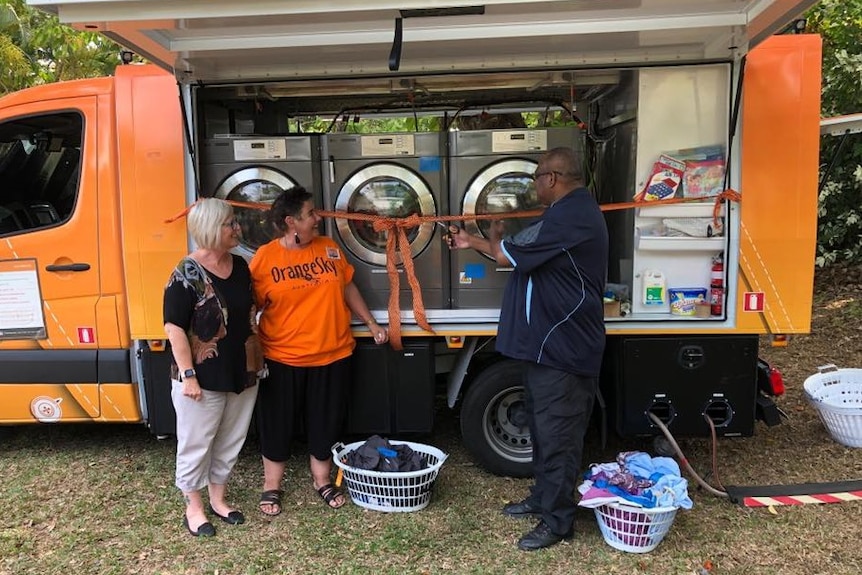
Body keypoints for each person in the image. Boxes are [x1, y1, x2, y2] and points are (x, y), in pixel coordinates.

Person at [447, 147, 608, 551]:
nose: (534, 185)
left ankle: (558, 521)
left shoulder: (570, 215)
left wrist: (486, 242)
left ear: (552, 179)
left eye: (536, 177)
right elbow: (515, 255)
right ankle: (543, 499)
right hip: (547, 349)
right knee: (542, 428)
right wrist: (479, 240)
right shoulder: (567, 214)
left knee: (558, 437)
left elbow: (509, 254)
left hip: (564, 350)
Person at [250, 186, 389, 516]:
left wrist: (370, 323)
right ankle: (272, 486)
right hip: (283, 357)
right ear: (290, 222)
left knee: (325, 421)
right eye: (310, 214)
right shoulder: (265, 259)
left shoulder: (329, 249)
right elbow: (251, 307)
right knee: (278, 423)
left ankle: (322, 480)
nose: (317, 218)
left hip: (333, 354)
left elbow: (347, 287)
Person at [163, 198, 262, 537]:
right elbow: (174, 327)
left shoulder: (241, 265)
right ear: (210, 229)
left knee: (231, 439)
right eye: (230, 224)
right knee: (196, 442)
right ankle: (194, 507)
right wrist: (188, 375)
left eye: (235, 222)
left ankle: (219, 500)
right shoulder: (186, 272)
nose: (238, 229)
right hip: (201, 377)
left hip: (242, 368)